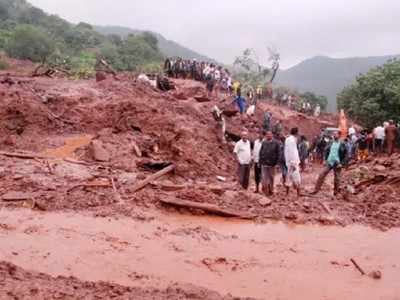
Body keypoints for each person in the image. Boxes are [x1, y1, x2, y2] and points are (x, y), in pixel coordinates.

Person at [259, 131, 281, 196]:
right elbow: (261, 152)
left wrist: (277, 163)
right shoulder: (264, 142)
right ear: (266, 136)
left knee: (271, 177)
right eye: (267, 135)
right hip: (264, 163)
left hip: (272, 164)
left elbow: (279, 153)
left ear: (272, 135)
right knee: (264, 178)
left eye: (270, 135)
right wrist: (260, 161)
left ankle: (271, 190)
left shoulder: (276, 143)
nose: (268, 136)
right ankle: (265, 191)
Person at [284, 127, 301, 196]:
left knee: (288, 177)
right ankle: (298, 193)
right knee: (296, 178)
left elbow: (287, 151)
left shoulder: (288, 139)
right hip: (293, 162)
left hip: (289, 161)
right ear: (296, 133)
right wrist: (293, 163)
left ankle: (287, 193)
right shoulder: (292, 140)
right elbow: (291, 152)